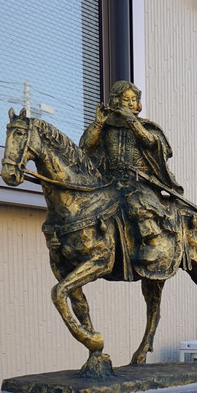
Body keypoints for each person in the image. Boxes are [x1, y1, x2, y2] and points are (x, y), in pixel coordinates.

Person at [79, 81, 183, 262]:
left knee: (138, 202)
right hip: (109, 180)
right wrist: (98, 123)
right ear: (115, 101)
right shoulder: (105, 128)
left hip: (138, 181)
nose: (130, 103)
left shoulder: (145, 126)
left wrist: (132, 121)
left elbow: (151, 142)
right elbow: (86, 147)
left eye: (133, 99)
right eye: (125, 99)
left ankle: (152, 241)